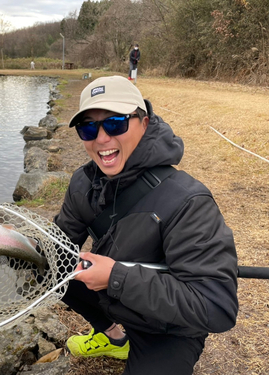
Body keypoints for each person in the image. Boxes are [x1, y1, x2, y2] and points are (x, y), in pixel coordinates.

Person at [53, 75, 238, 374]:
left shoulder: (188, 201)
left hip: (168, 329)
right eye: (88, 127)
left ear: (145, 122)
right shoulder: (83, 184)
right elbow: (54, 250)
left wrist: (115, 278)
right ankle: (115, 335)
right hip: (114, 300)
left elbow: (216, 307)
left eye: (115, 123)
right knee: (49, 267)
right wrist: (1, 244)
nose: (101, 138)